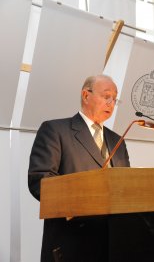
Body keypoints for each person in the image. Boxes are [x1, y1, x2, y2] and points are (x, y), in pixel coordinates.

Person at [28, 75, 130, 262]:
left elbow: (126, 186)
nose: (111, 103)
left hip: (113, 245)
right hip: (72, 243)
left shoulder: (118, 141)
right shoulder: (56, 130)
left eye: (115, 99)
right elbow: (40, 181)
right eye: (106, 96)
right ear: (86, 95)